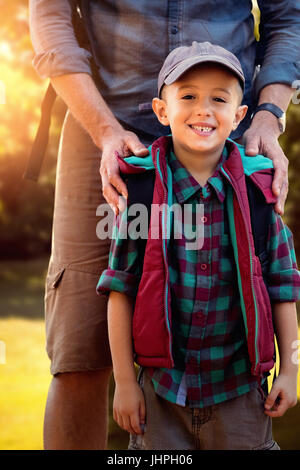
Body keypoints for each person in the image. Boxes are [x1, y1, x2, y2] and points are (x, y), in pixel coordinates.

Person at [29, 0, 300, 449]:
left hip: (221, 143)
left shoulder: (234, 138)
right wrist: (104, 130)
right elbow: (50, 16)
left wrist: (268, 116)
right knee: (78, 352)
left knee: (231, 337)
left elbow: (288, 15)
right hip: (105, 130)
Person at [97, 41, 300, 450]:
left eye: (219, 99)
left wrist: (292, 369)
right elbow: (121, 291)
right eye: (188, 96)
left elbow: (283, 287)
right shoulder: (142, 196)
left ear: (239, 116)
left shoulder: (259, 197)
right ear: (161, 111)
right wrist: (124, 382)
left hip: (241, 391)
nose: (204, 109)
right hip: (162, 393)